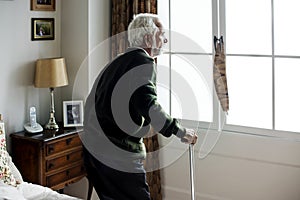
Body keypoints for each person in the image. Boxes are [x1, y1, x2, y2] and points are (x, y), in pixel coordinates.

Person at [82, 13, 198, 200]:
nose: (165, 39)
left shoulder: (118, 62)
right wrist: (181, 131)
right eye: (161, 34)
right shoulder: (142, 62)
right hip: (116, 155)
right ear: (148, 38)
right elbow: (149, 105)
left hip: (94, 153)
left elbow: (91, 102)